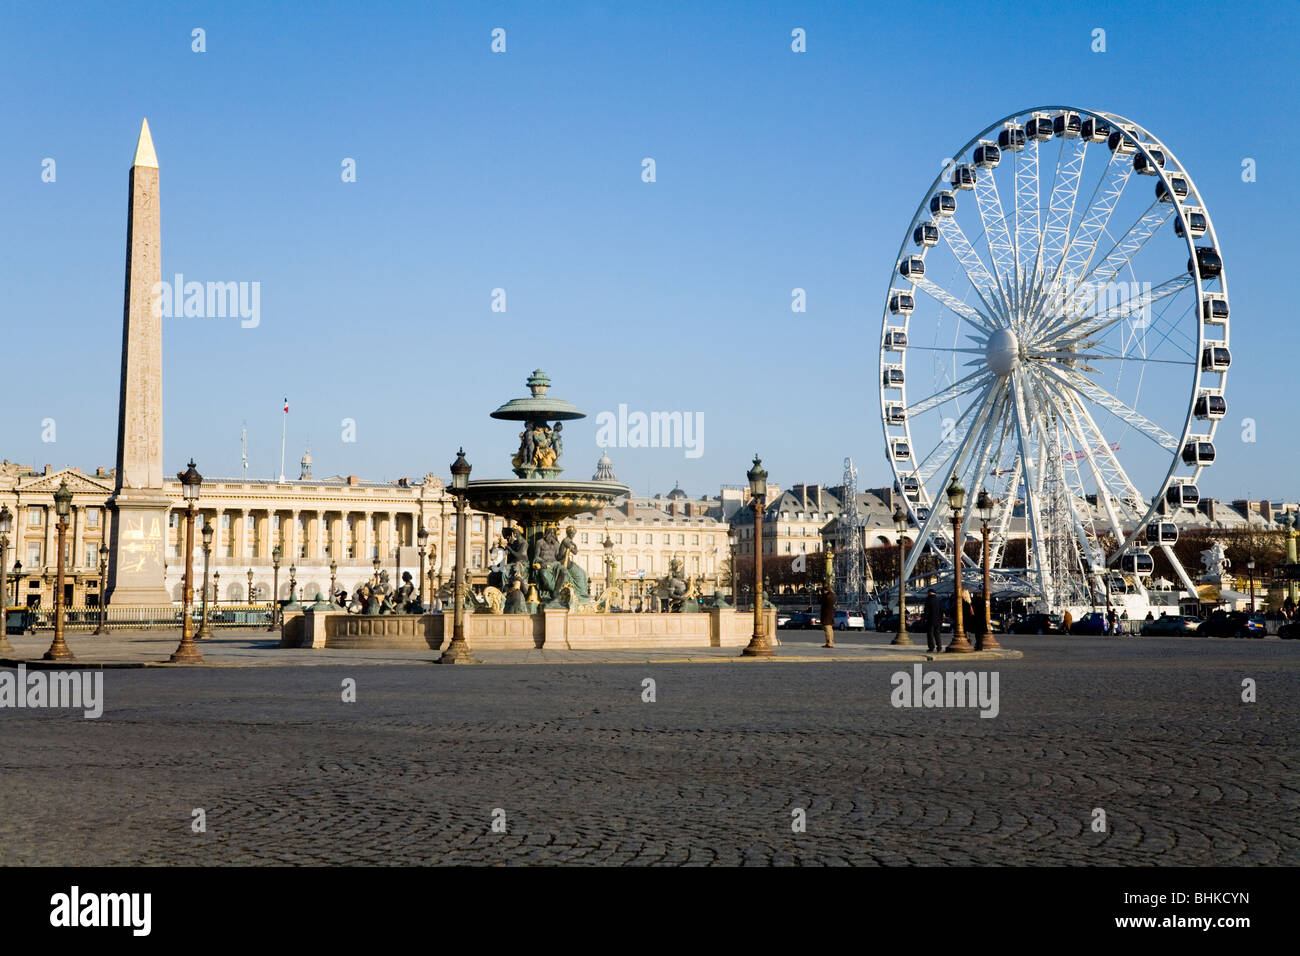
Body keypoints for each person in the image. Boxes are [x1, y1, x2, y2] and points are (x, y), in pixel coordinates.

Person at [924, 588, 942, 653]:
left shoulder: (928, 599)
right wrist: (941, 619)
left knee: (930, 634)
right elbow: (941, 611)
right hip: (937, 620)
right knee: (937, 634)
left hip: (930, 619)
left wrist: (925, 618)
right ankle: (939, 647)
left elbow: (926, 610)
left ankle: (931, 647)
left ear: (929, 592)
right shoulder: (938, 600)